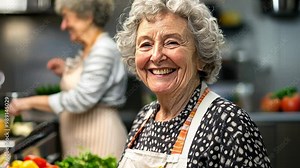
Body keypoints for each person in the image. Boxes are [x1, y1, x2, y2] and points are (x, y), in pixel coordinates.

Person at [115, 0, 272, 167]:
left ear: (201, 59)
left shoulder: (229, 123)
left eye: (171, 42)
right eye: (146, 44)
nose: (156, 56)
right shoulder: (143, 118)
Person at [9, 0, 128, 160]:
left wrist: (29, 102)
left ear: (87, 17)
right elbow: (88, 80)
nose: (63, 25)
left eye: (66, 17)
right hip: (80, 142)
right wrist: (66, 70)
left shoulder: (103, 50)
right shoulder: (89, 49)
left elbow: (81, 99)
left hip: (100, 140)